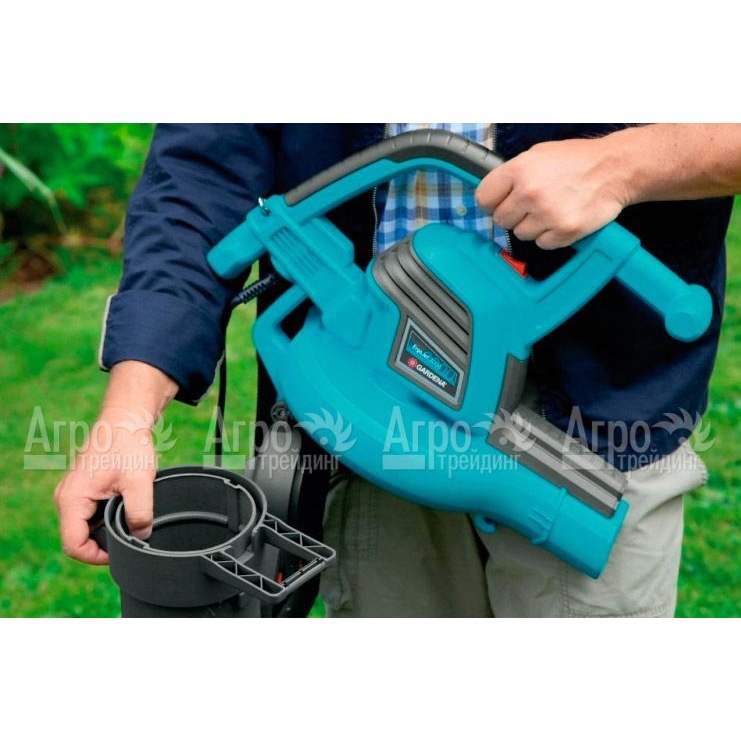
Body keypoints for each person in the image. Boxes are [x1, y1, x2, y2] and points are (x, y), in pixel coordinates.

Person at [54, 123, 741, 617]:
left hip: (597, 407)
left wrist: (625, 164)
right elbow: (201, 167)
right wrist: (128, 412)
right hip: (365, 397)